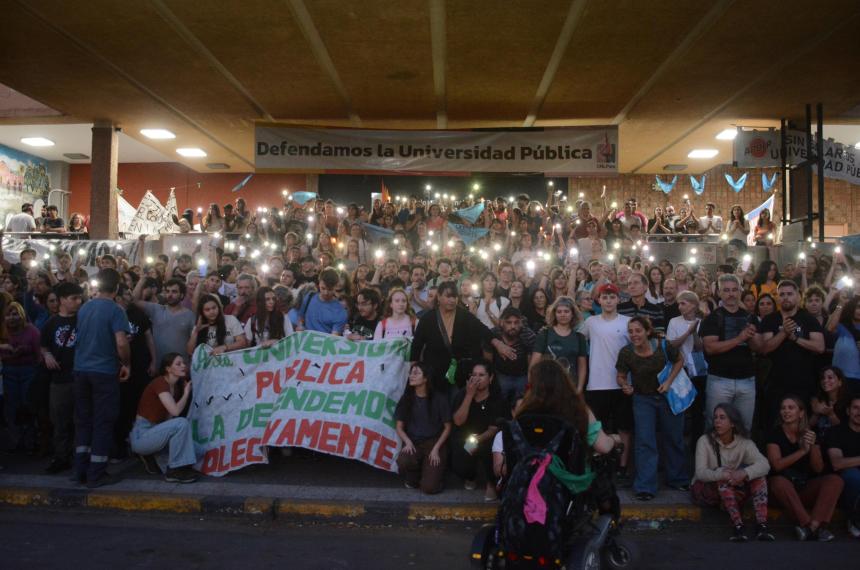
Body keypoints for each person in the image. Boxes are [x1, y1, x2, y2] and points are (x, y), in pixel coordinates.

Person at [616, 316, 688, 500]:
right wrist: (625, 385)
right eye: (631, 331)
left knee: (673, 437)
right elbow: (621, 375)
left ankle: (677, 479)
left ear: (648, 331)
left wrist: (669, 382)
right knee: (645, 441)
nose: (634, 335)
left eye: (638, 330)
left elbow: (680, 360)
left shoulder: (663, 345)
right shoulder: (626, 352)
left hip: (667, 397)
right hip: (642, 399)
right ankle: (645, 487)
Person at [72, 268, 131, 488]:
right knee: (103, 421)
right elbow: (122, 343)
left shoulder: (85, 307)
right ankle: (96, 472)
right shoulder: (116, 310)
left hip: (80, 370)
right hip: (104, 372)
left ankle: (80, 471)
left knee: (83, 421)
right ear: (116, 288)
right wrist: (126, 363)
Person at [411, 281, 514, 394]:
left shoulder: (464, 315)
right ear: (439, 297)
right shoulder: (427, 319)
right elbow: (416, 345)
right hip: (435, 372)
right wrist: (414, 369)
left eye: (454, 296)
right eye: (448, 296)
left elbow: (482, 329)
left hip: (459, 372)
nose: (452, 300)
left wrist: (499, 344)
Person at [692, 403, 774, 542]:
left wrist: (744, 473)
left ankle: (762, 525)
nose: (717, 421)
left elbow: (765, 464)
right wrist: (722, 474)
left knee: (759, 477)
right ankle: (738, 526)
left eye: (722, 417)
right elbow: (700, 473)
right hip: (707, 491)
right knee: (723, 480)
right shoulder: (704, 441)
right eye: (716, 417)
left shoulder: (744, 443)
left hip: (733, 490)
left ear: (733, 423)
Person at [766, 395, 843, 541]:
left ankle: (813, 525)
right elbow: (776, 465)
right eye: (783, 408)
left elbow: (818, 469)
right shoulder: (774, 433)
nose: (786, 411)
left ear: (801, 413)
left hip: (803, 488)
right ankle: (808, 525)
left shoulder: (810, 434)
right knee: (778, 481)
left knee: (835, 480)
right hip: (780, 492)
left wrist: (813, 446)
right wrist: (802, 451)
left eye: (791, 408)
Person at [580, 283, 632, 482]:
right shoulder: (591, 322)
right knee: (596, 429)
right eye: (605, 297)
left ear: (618, 299)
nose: (608, 301)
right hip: (596, 384)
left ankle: (623, 467)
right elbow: (575, 338)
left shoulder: (627, 322)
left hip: (621, 384)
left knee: (624, 428)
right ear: (598, 300)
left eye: (612, 297)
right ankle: (597, 464)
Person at [755, 280, 825, 427]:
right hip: (776, 383)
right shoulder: (770, 320)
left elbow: (819, 347)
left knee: (802, 425)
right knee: (775, 425)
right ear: (778, 298)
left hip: (803, 382)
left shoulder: (808, 319)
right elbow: (764, 348)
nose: (786, 297)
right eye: (782, 294)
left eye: (789, 294)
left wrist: (795, 338)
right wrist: (783, 333)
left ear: (798, 296)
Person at [700, 274, 757, 433]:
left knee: (744, 428)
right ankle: (714, 458)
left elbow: (760, 348)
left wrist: (751, 337)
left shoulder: (750, 317)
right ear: (719, 293)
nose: (731, 294)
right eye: (726, 290)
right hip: (720, 380)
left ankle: (740, 458)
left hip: (746, 379)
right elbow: (711, 348)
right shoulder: (712, 318)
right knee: (715, 427)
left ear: (740, 291)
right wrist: (740, 338)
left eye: (734, 290)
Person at [129, 353, 198, 483]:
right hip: (142, 433)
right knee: (181, 423)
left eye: (183, 363)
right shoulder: (160, 383)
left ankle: (155, 459)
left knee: (189, 442)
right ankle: (174, 471)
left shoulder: (175, 388)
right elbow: (176, 411)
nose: (183, 366)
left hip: (155, 431)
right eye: (178, 364)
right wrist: (186, 393)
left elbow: (168, 418)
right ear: (168, 369)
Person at [451, 360, 510, 501]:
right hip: (465, 437)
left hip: (488, 438)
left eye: (481, 375)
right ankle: (470, 476)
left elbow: (494, 428)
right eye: (474, 375)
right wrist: (469, 396)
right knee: (461, 458)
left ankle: (491, 482)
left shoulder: (497, 398)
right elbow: (458, 421)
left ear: (490, 378)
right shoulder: (463, 395)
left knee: (488, 449)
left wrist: (476, 441)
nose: (476, 378)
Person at [40, 282, 83, 473]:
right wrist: (47, 355)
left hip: (80, 377)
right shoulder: (51, 323)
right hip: (59, 381)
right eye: (74, 298)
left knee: (80, 420)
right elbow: (43, 345)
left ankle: (79, 457)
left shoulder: (83, 319)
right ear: (62, 300)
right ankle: (61, 457)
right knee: (60, 421)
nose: (78, 302)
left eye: (79, 298)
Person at [395, 362, 452, 494]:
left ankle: (433, 474)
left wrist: (436, 449)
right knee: (403, 460)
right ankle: (414, 476)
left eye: (416, 373)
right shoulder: (407, 398)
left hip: (434, 443)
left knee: (429, 488)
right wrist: (407, 442)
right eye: (411, 373)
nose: (411, 376)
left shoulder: (439, 399)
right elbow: (399, 427)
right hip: (414, 441)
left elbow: (448, 427)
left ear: (426, 378)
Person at [0, 301, 42, 453]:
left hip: (28, 370)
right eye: (9, 315)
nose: (12, 318)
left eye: (15, 314)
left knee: (28, 405)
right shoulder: (3, 331)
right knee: (11, 407)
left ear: (22, 315)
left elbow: (39, 354)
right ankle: (16, 441)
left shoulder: (31, 331)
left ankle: (31, 439)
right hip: (9, 370)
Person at [132, 277, 195, 364]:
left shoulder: (190, 315)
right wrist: (143, 279)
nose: (170, 295)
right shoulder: (156, 309)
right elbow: (135, 300)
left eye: (174, 292)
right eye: (167, 291)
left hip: (181, 366)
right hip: (159, 365)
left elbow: (194, 342)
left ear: (182, 295)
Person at [530, 296, 587, 392]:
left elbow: (582, 366)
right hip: (546, 388)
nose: (563, 314)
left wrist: (580, 388)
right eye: (559, 312)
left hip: (570, 388)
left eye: (566, 311)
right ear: (554, 314)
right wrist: (533, 387)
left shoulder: (579, 337)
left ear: (573, 314)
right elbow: (534, 364)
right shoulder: (545, 334)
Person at [825, 394, 860, 539]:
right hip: (845, 482)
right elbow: (837, 463)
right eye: (855, 408)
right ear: (848, 411)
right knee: (853, 476)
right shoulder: (836, 432)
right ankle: (854, 520)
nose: (859, 412)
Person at [491, 306, 534, 407]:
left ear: (521, 322)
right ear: (502, 322)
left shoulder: (528, 335)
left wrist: (530, 383)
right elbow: (487, 359)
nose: (513, 326)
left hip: (522, 376)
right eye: (509, 322)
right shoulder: (493, 333)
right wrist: (492, 379)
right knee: (499, 404)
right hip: (501, 375)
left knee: (522, 405)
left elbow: (531, 363)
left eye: (516, 322)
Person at [296, 268, 348, 335]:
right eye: (323, 288)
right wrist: (300, 325)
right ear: (319, 283)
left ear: (336, 286)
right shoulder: (309, 297)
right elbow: (301, 317)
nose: (326, 292)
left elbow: (334, 337)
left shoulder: (340, 311)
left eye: (330, 289)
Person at [826, 297, 860, 394]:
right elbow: (830, 327)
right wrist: (841, 303)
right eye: (857, 307)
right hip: (838, 378)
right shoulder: (842, 326)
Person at [810, 366, 848, 437]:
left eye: (830, 377)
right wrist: (816, 413)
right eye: (823, 378)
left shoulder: (848, 402)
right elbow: (808, 426)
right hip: (817, 440)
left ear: (840, 382)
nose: (825, 381)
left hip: (838, 442)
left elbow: (845, 430)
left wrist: (831, 415)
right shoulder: (816, 400)